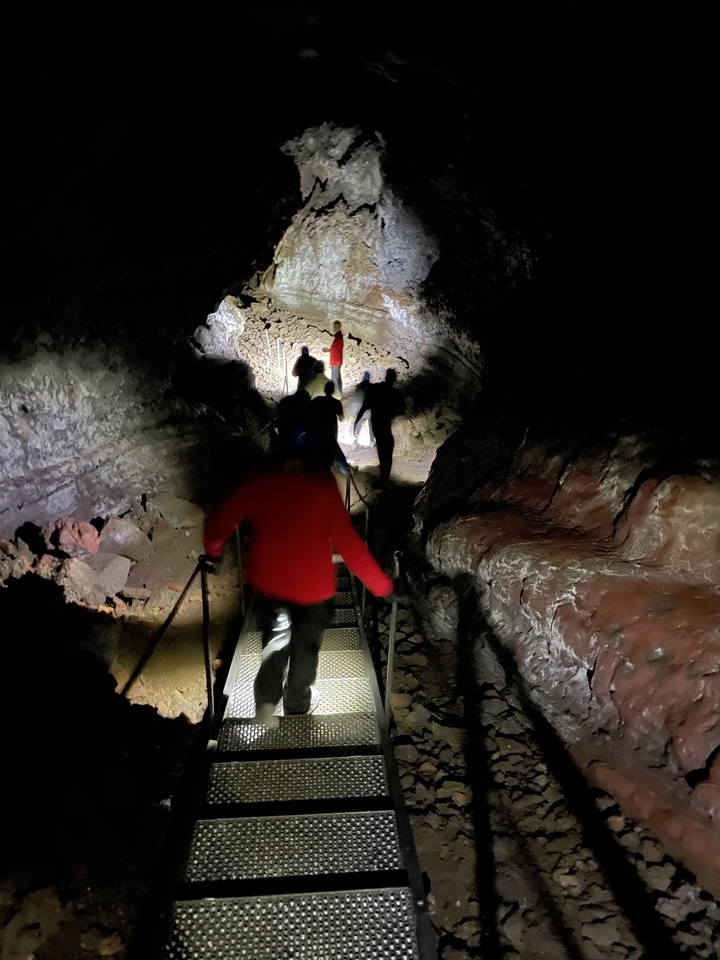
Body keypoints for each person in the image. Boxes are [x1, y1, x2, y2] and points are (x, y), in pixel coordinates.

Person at [204, 455, 392, 725]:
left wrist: (214, 553)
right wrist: (382, 587)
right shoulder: (321, 485)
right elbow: (348, 544)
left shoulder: (259, 479)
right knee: (306, 647)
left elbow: (218, 525)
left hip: (271, 583)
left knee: (276, 640)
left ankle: (266, 703)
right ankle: (297, 704)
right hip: (314, 587)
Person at [354, 368, 403, 484]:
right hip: (384, 425)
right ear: (394, 380)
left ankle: (383, 476)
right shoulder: (394, 393)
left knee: (382, 449)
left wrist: (357, 421)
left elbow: (365, 405)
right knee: (387, 449)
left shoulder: (376, 389)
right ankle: (384, 477)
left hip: (377, 425)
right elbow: (400, 410)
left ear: (385, 377)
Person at [312, 380, 349, 474]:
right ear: (333, 391)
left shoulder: (317, 400)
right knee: (333, 450)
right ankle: (344, 470)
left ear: (324, 390)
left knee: (320, 450)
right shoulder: (336, 403)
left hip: (318, 429)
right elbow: (341, 418)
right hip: (331, 430)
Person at [322, 320, 344, 394]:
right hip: (337, 362)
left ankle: (336, 395)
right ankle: (339, 394)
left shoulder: (339, 339)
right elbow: (335, 350)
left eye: (336, 327)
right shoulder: (338, 338)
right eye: (334, 327)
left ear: (340, 327)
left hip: (336, 363)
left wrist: (334, 363)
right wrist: (328, 350)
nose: (335, 328)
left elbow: (337, 352)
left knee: (335, 379)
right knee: (338, 378)